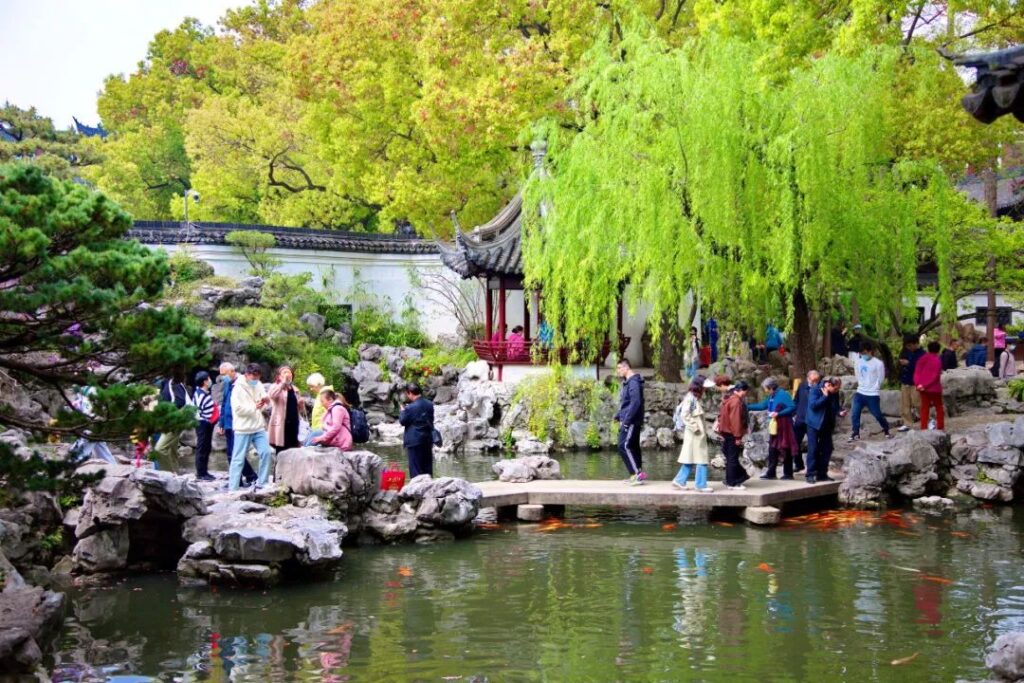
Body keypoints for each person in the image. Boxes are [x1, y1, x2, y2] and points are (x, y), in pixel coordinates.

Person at [228, 363, 275, 491]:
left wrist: (265, 402)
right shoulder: (237, 388)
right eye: (254, 378)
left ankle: (263, 482)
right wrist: (255, 407)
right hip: (243, 428)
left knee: (266, 453)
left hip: (258, 426)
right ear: (247, 375)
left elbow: (262, 405)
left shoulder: (258, 385)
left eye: (258, 378)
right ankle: (233, 488)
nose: (256, 381)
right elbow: (237, 410)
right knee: (238, 458)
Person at [748, 377, 798, 480]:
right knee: (772, 449)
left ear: (770, 387)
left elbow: (792, 407)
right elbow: (762, 405)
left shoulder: (783, 394)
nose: (764, 390)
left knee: (786, 448)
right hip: (774, 426)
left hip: (785, 426)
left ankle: (788, 474)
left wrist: (779, 413)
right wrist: (747, 406)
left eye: (765, 388)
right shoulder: (771, 396)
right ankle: (771, 473)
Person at [217, 362, 256, 486]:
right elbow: (224, 405)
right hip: (228, 424)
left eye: (224, 374)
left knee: (235, 453)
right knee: (231, 453)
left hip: (239, 424)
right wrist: (221, 424)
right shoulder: (228, 384)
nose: (222, 377)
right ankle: (245, 478)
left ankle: (245, 478)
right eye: (221, 375)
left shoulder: (243, 383)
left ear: (232, 371)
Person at [672, 379, 713, 492]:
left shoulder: (693, 398)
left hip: (695, 434)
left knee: (690, 458)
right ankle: (700, 485)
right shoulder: (691, 399)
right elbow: (685, 415)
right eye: (704, 387)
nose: (706, 389)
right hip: (695, 434)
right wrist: (696, 428)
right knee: (701, 459)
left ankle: (680, 480)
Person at [849, 341, 893, 441]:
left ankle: (886, 429)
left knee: (877, 414)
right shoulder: (858, 362)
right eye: (861, 353)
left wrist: (875, 387)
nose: (863, 355)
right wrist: (861, 384)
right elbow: (857, 374)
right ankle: (855, 432)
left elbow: (881, 378)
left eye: (865, 353)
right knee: (855, 413)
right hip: (860, 392)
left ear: (870, 352)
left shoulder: (878, 363)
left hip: (872, 394)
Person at [613, 358, 647, 485]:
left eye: (619, 368)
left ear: (626, 367)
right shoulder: (629, 382)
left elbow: (636, 402)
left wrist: (626, 420)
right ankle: (637, 474)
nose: (618, 371)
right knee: (633, 447)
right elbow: (627, 403)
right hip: (630, 419)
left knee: (623, 445)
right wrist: (619, 415)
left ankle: (636, 475)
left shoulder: (633, 382)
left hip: (631, 421)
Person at [806, 377, 845, 483]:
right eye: (835, 389)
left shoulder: (835, 393)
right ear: (829, 385)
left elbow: (835, 406)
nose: (837, 391)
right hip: (814, 423)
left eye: (838, 389)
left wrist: (839, 412)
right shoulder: (815, 389)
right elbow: (813, 405)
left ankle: (822, 473)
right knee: (813, 448)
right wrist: (824, 396)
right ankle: (811, 473)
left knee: (827, 449)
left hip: (827, 424)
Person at [153, 369, 194, 471]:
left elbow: (181, 402)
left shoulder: (174, 384)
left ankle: (169, 474)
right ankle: (175, 474)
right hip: (164, 422)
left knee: (160, 448)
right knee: (172, 450)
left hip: (173, 422)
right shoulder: (163, 383)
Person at [70, 386, 116, 464]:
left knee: (88, 440)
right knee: (100, 445)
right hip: (96, 421)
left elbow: (88, 409)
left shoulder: (90, 390)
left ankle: (74, 462)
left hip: (93, 421)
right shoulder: (88, 389)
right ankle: (113, 465)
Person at [718, 381, 750, 489]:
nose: (745, 394)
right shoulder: (736, 402)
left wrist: (721, 432)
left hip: (725, 432)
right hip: (732, 434)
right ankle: (732, 483)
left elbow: (721, 417)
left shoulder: (728, 399)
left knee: (730, 458)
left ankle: (731, 480)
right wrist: (738, 436)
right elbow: (735, 420)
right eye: (745, 392)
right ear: (743, 391)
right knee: (732, 458)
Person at [398, 383, 434, 477]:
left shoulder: (410, 407)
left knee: (416, 470)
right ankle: (429, 488)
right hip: (427, 439)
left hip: (414, 441)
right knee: (427, 468)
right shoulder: (429, 404)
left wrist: (402, 411)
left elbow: (402, 421)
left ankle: (417, 490)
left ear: (409, 393)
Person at [268, 365, 304, 453]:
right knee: (281, 449)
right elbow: (272, 395)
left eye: (289, 372)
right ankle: (279, 466)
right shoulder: (275, 387)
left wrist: (301, 404)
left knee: (293, 449)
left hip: (294, 423)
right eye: (284, 372)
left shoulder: (295, 389)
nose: (288, 374)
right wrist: (283, 383)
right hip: (281, 423)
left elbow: (300, 410)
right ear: (279, 376)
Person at [792, 370, 822, 473]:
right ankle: (799, 464)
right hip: (800, 419)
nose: (815, 382)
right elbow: (796, 400)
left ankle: (812, 469)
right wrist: (794, 413)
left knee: (813, 445)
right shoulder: (802, 386)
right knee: (795, 443)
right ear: (808, 378)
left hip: (812, 421)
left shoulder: (820, 388)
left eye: (817, 380)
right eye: (813, 380)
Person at [192, 371, 217, 481]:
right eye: (208, 379)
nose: (210, 381)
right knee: (202, 447)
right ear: (205, 382)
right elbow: (196, 411)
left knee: (206, 447)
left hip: (207, 423)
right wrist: (205, 421)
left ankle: (204, 471)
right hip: (202, 423)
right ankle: (201, 473)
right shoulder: (199, 395)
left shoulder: (203, 393)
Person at [914, 341, 944, 431]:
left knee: (924, 408)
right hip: (934, 388)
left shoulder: (922, 359)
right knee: (939, 407)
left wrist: (918, 384)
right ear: (938, 350)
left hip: (922, 388)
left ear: (928, 348)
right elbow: (935, 376)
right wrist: (926, 385)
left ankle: (923, 427)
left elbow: (917, 372)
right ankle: (940, 426)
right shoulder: (937, 360)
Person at [897, 336, 924, 432]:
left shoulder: (922, 354)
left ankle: (927, 420)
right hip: (905, 381)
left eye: (910, 345)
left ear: (915, 343)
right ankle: (907, 423)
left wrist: (908, 363)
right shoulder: (907, 352)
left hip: (916, 382)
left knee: (918, 403)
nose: (908, 348)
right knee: (905, 404)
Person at [304, 372, 334, 446]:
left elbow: (331, 412)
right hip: (317, 428)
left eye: (312, 386)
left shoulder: (326, 395)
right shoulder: (320, 394)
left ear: (318, 384)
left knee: (307, 447)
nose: (311, 389)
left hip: (322, 429)